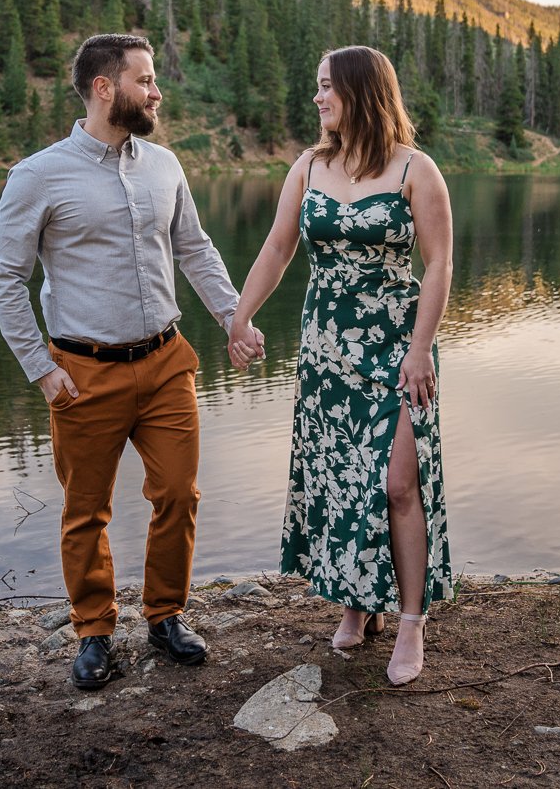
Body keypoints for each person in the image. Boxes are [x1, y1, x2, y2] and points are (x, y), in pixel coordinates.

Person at [0, 33, 257, 691]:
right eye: (145, 79)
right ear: (105, 87)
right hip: (83, 373)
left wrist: (234, 317)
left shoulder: (164, 165)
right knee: (86, 510)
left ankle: (165, 615)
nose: (156, 91)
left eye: (154, 79)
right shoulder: (39, 175)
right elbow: (4, 276)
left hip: (166, 361)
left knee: (179, 492)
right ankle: (95, 631)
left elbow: (195, 248)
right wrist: (41, 368)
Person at [227, 45, 454, 686]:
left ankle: (410, 621)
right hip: (327, 348)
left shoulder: (416, 169)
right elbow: (277, 246)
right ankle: (358, 603)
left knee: (397, 484)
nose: (319, 98)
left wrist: (418, 350)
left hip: (399, 347)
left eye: (327, 87)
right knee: (341, 479)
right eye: (317, 86)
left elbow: (439, 264)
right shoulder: (309, 165)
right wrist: (241, 318)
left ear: (360, 91)